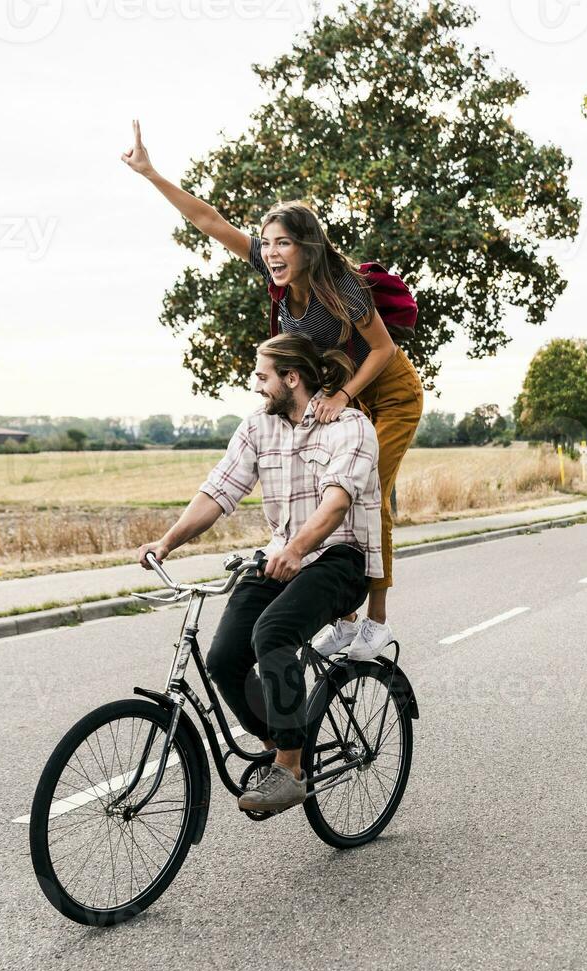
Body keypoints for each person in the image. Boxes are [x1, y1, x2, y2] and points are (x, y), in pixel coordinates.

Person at [122, 119, 423, 661]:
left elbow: (383, 351)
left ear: (306, 245)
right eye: (266, 244)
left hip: (387, 389)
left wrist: (344, 397)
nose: (272, 252)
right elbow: (207, 220)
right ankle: (343, 617)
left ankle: (374, 622)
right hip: (338, 392)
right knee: (316, 489)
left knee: (364, 490)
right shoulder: (274, 272)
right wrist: (150, 174)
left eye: (283, 242)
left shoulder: (345, 288)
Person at [136, 333, 382, 814]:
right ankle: (282, 741)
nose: (255, 385)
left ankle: (290, 768)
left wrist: (297, 548)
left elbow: (336, 503)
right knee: (225, 656)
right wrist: (167, 542)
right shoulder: (257, 428)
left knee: (272, 633)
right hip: (280, 556)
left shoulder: (350, 428)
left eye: (262, 376)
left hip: (340, 559)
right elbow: (218, 492)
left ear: (292, 379)